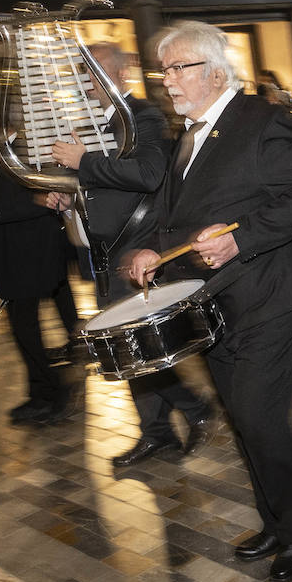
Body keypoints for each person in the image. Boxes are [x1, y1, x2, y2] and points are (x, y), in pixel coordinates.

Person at [123, 21, 292, 582]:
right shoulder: (186, 133)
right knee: (242, 420)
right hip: (212, 305)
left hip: (272, 293)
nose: (166, 81)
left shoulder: (262, 119)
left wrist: (244, 236)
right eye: (163, 69)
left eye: (176, 68)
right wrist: (151, 249)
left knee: (263, 421)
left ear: (214, 72)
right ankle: (275, 522)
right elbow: (176, 216)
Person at [45, 42, 210, 465]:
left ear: (121, 74)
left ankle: (194, 410)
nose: (87, 79)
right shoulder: (84, 120)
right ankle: (156, 432)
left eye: (96, 69)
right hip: (101, 251)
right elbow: (95, 185)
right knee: (121, 349)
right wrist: (68, 197)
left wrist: (84, 161)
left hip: (136, 247)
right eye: (83, 71)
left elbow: (150, 174)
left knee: (140, 344)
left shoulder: (144, 116)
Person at [0, 96, 80, 425]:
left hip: (32, 251)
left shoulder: (26, 149)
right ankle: (43, 391)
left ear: (2, 118)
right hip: (13, 250)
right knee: (24, 329)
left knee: (25, 328)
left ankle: (50, 394)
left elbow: (44, 201)